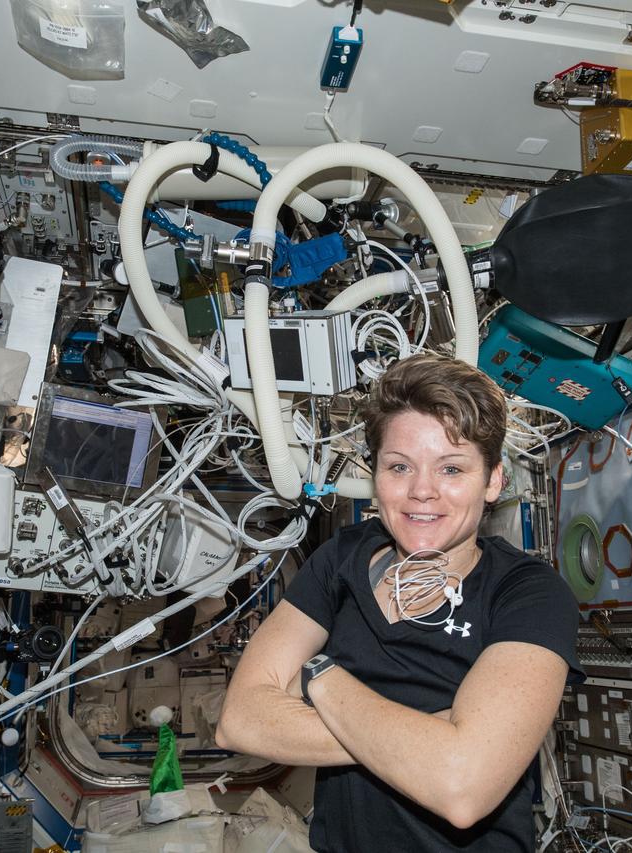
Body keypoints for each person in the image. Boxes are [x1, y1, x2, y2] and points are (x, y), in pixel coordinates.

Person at [215, 353, 583, 852]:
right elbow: (240, 720)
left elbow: (462, 788)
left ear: (493, 480)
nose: (421, 492)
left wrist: (322, 678)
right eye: (399, 466)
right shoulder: (341, 558)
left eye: (451, 468)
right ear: (375, 476)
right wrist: (432, 742)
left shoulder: (529, 593)